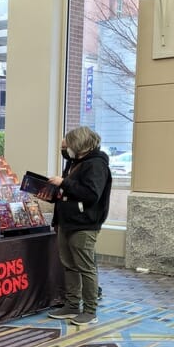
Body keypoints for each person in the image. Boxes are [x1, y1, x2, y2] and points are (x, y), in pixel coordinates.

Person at [44, 126, 112, 326]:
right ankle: (72, 305)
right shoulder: (75, 163)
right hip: (67, 221)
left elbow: (91, 194)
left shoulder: (96, 165)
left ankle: (90, 310)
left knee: (85, 267)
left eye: (68, 145)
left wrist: (64, 183)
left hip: (84, 224)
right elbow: (69, 193)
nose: (65, 149)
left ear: (80, 145)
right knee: (69, 265)